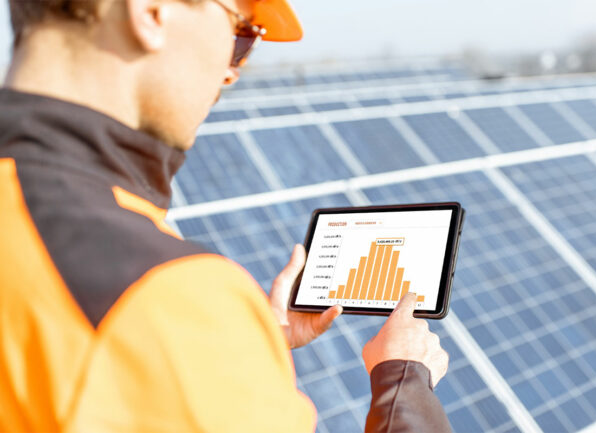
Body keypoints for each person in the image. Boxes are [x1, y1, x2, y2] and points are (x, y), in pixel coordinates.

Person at [0, 0, 452, 431]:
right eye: (242, 34)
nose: (232, 73)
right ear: (151, 11)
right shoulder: (167, 298)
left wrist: (250, 352)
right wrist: (403, 382)